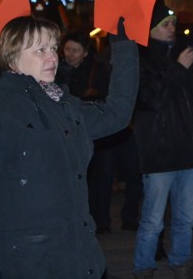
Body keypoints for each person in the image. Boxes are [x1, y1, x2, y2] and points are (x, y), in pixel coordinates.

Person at [0, 15, 138, 279]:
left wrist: (122, 45)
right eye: (40, 50)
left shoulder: (62, 104)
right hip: (28, 262)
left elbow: (117, 114)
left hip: (77, 256)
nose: (52, 57)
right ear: (12, 56)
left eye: (53, 48)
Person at [131, 0, 193, 279]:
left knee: (186, 218)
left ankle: (182, 260)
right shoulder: (142, 59)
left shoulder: (183, 54)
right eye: (165, 24)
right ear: (150, 30)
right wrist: (179, 69)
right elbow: (154, 98)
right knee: (153, 219)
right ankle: (144, 266)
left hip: (188, 149)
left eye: (173, 22)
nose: (173, 27)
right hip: (159, 151)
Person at [55, 31, 141, 234]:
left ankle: (106, 219)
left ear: (85, 52)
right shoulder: (56, 74)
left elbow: (114, 105)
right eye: (67, 49)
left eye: (76, 50)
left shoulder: (98, 69)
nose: (70, 54)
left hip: (94, 128)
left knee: (104, 174)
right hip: (68, 134)